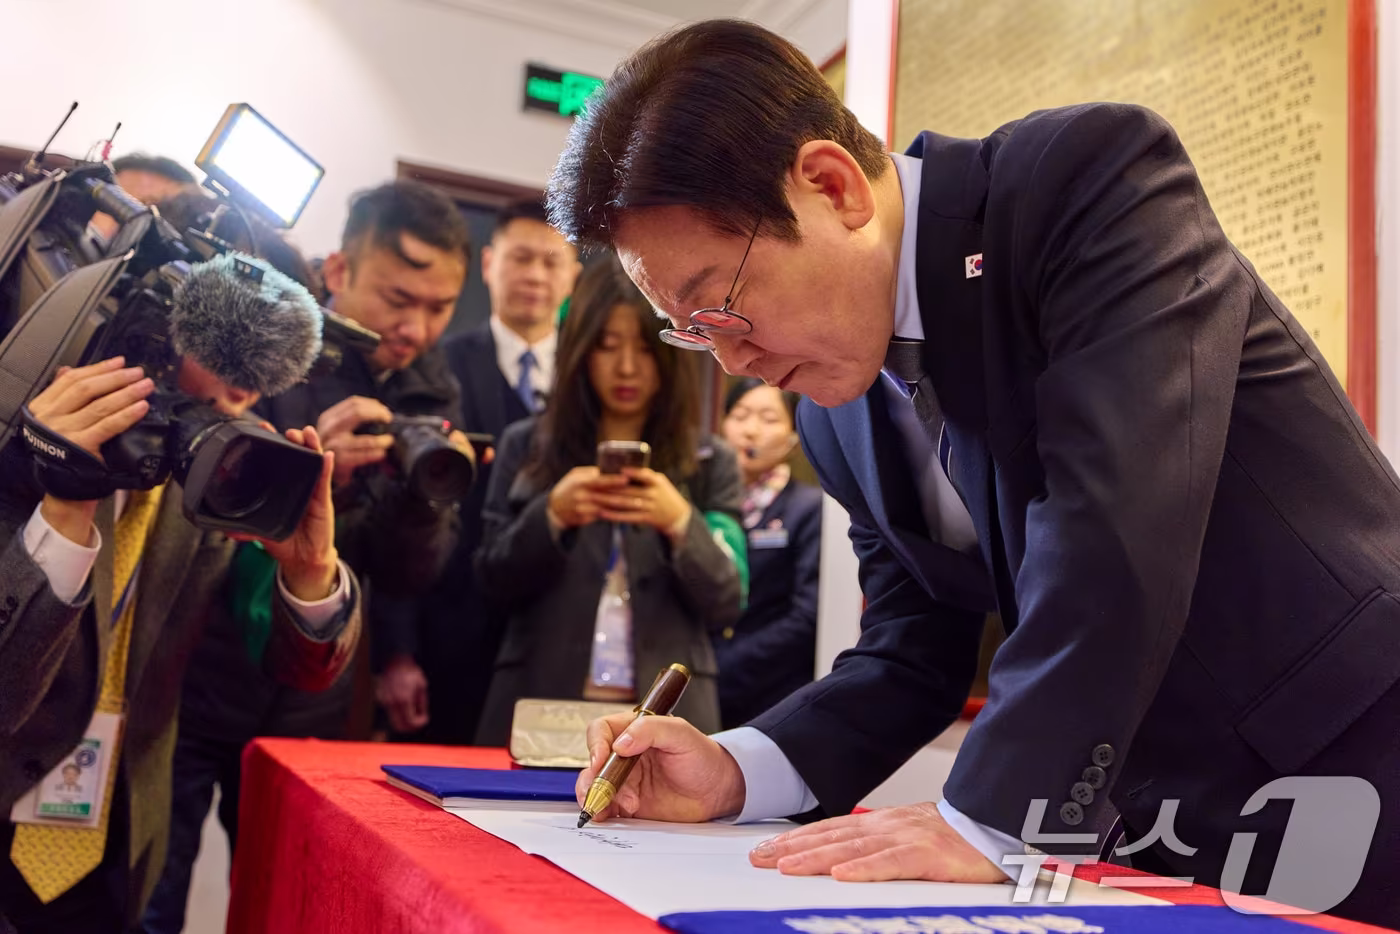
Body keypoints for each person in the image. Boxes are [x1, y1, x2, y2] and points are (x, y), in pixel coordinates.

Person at [548, 19, 1400, 927]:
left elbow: (1118, 524)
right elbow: (913, 647)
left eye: (721, 304)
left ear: (830, 186)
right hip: (1153, 835)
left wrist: (989, 816)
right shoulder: (837, 411)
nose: (730, 363)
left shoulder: (1083, 183)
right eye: (693, 331)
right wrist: (739, 766)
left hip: (1349, 762)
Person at [142, 180, 471, 934]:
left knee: (293, 910)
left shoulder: (429, 385)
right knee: (152, 903)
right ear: (337, 271)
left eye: (440, 307)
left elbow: (410, 572)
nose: (416, 327)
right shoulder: (270, 344)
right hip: (190, 684)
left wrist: (414, 499)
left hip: (318, 704)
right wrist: (309, 470)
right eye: (399, 297)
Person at [0, 270, 361, 930]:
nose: (243, 394)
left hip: (124, 842)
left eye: (255, 379)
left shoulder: (222, 470)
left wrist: (312, 574)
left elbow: (304, 667)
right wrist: (60, 505)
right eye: (223, 362)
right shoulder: (23, 435)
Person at [473, 254, 742, 745]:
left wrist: (681, 522)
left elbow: (728, 598)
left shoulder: (708, 460)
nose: (626, 367)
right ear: (579, 350)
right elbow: (490, 581)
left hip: (667, 714)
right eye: (606, 346)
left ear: (669, 354)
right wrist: (551, 515)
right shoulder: (526, 445)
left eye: (643, 347)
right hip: (539, 703)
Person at [395, 198, 581, 743]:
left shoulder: (592, 376)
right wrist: (397, 651)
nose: (535, 275)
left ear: (573, 273)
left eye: (552, 261)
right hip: (446, 634)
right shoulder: (436, 364)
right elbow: (401, 510)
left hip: (554, 640)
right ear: (488, 263)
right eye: (521, 257)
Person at [714, 378, 822, 730]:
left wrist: (723, 665)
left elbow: (807, 616)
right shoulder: (699, 503)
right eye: (741, 415)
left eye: (769, 418)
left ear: (793, 437)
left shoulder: (809, 509)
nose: (751, 430)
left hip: (774, 697)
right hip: (699, 691)